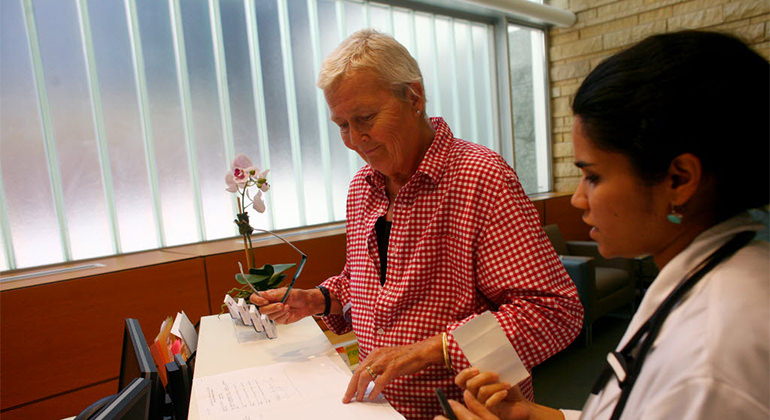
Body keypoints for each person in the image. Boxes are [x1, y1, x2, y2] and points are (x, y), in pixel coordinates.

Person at [250, 29, 583, 419]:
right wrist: (321, 298)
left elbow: (553, 312)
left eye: (366, 118)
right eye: (342, 124)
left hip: (462, 409)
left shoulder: (479, 177)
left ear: (414, 97)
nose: (356, 139)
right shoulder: (363, 188)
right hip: (377, 406)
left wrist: (433, 348)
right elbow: (369, 282)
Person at [438, 30, 770, 420]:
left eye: (592, 176)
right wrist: (534, 417)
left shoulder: (710, 355)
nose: (579, 199)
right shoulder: (709, 270)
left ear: (678, 180)